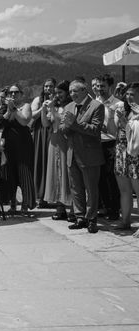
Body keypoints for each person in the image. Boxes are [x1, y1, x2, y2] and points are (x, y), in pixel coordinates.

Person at [60, 80, 104, 233]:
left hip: (89, 155)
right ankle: (80, 218)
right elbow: (62, 128)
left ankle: (92, 219)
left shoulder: (97, 106)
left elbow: (95, 130)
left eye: (75, 91)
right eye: (70, 91)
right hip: (72, 153)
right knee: (76, 188)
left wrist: (74, 124)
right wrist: (66, 126)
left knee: (91, 189)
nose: (72, 94)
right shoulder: (68, 107)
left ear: (85, 91)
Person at [0, 84, 35, 215]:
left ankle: (25, 203)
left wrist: (15, 110)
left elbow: (24, 121)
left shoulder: (26, 106)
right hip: (8, 146)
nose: (13, 95)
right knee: (9, 174)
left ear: (21, 94)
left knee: (25, 174)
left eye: (16, 92)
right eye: (10, 93)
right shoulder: (4, 109)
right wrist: (8, 111)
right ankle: (12, 203)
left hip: (23, 145)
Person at [41, 81, 74, 220]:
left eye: (60, 92)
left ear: (67, 93)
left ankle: (74, 209)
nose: (57, 95)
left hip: (66, 141)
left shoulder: (70, 106)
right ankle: (60, 208)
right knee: (56, 173)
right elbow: (45, 124)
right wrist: (44, 110)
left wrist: (53, 109)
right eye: (56, 93)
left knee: (68, 174)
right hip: (54, 141)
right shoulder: (56, 106)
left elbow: (62, 123)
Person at [93, 74, 123, 221]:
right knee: (100, 178)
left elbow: (115, 129)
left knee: (111, 178)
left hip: (111, 144)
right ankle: (104, 206)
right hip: (96, 144)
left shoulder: (118, 104)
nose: (100, 89)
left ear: (110, 86)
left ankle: (114, 209)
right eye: (98, 86)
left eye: (103, 86)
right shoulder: (93, 102)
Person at [113, 83, 139, 230]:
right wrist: (121, 120)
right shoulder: (124, 109)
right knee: (124, 190)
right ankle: (125, 221)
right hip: (121, 151)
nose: (129, 97)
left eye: (133, 94)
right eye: (127, 94)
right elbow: (117, 130)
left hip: (136, 153)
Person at [31, 78, 56, 208]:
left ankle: (53, 195)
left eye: (51, 86)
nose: (48, 89)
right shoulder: (37, 100)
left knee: (51, 163)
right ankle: (40, 196)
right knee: (41, 162)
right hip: (40, 132)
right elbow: (32, 116)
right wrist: (43, 107)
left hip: (53, 131)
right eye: (46, 86)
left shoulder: (57, 100)